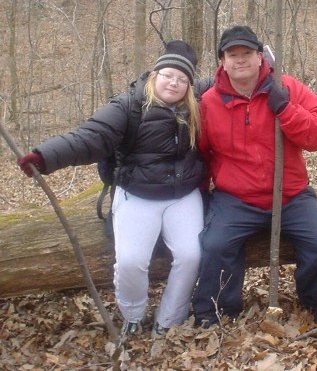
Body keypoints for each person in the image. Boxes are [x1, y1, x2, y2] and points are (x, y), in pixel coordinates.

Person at [17, 40, 208, 340]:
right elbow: (91, 137)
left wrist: (256, 58)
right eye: (169, 74)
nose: (174, 82)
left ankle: (170, 318)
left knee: (191, 255)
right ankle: (132, 313)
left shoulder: (194, 104)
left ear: (189, 86)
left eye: (182, 79)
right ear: (155, 74)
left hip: (183, 195)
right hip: (137, 194)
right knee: (132, 261)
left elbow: (225, 77)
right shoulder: (128, 106)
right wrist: (45, 157)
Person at [192, 25, 317, 327]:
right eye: (232, 54)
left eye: (246, 53)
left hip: (290, 194)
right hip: (235, 198)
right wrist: (198, 198)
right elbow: (202, 154)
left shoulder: (286, 87)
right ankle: (216, 311)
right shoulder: (209, 102)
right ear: (222, 61)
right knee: (215, 245)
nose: (240, 60)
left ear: (261, 56)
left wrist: (286, 109)